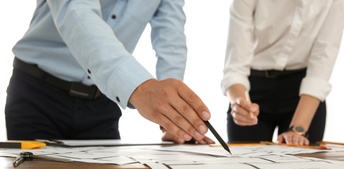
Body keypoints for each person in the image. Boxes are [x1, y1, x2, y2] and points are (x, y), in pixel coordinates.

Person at [5, 0, 214, 145]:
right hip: (38, 94)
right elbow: (76, 11)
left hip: (101, 104)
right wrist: (140, 87)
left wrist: (173, 117)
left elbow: (171, 37)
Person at [221, 0, 344, 145]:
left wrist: (298, 130)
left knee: (303, 165)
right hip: (251, 90)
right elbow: (235, 66)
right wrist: (240, 105)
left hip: (303, 94)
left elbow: (321, 65)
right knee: (244, 164)